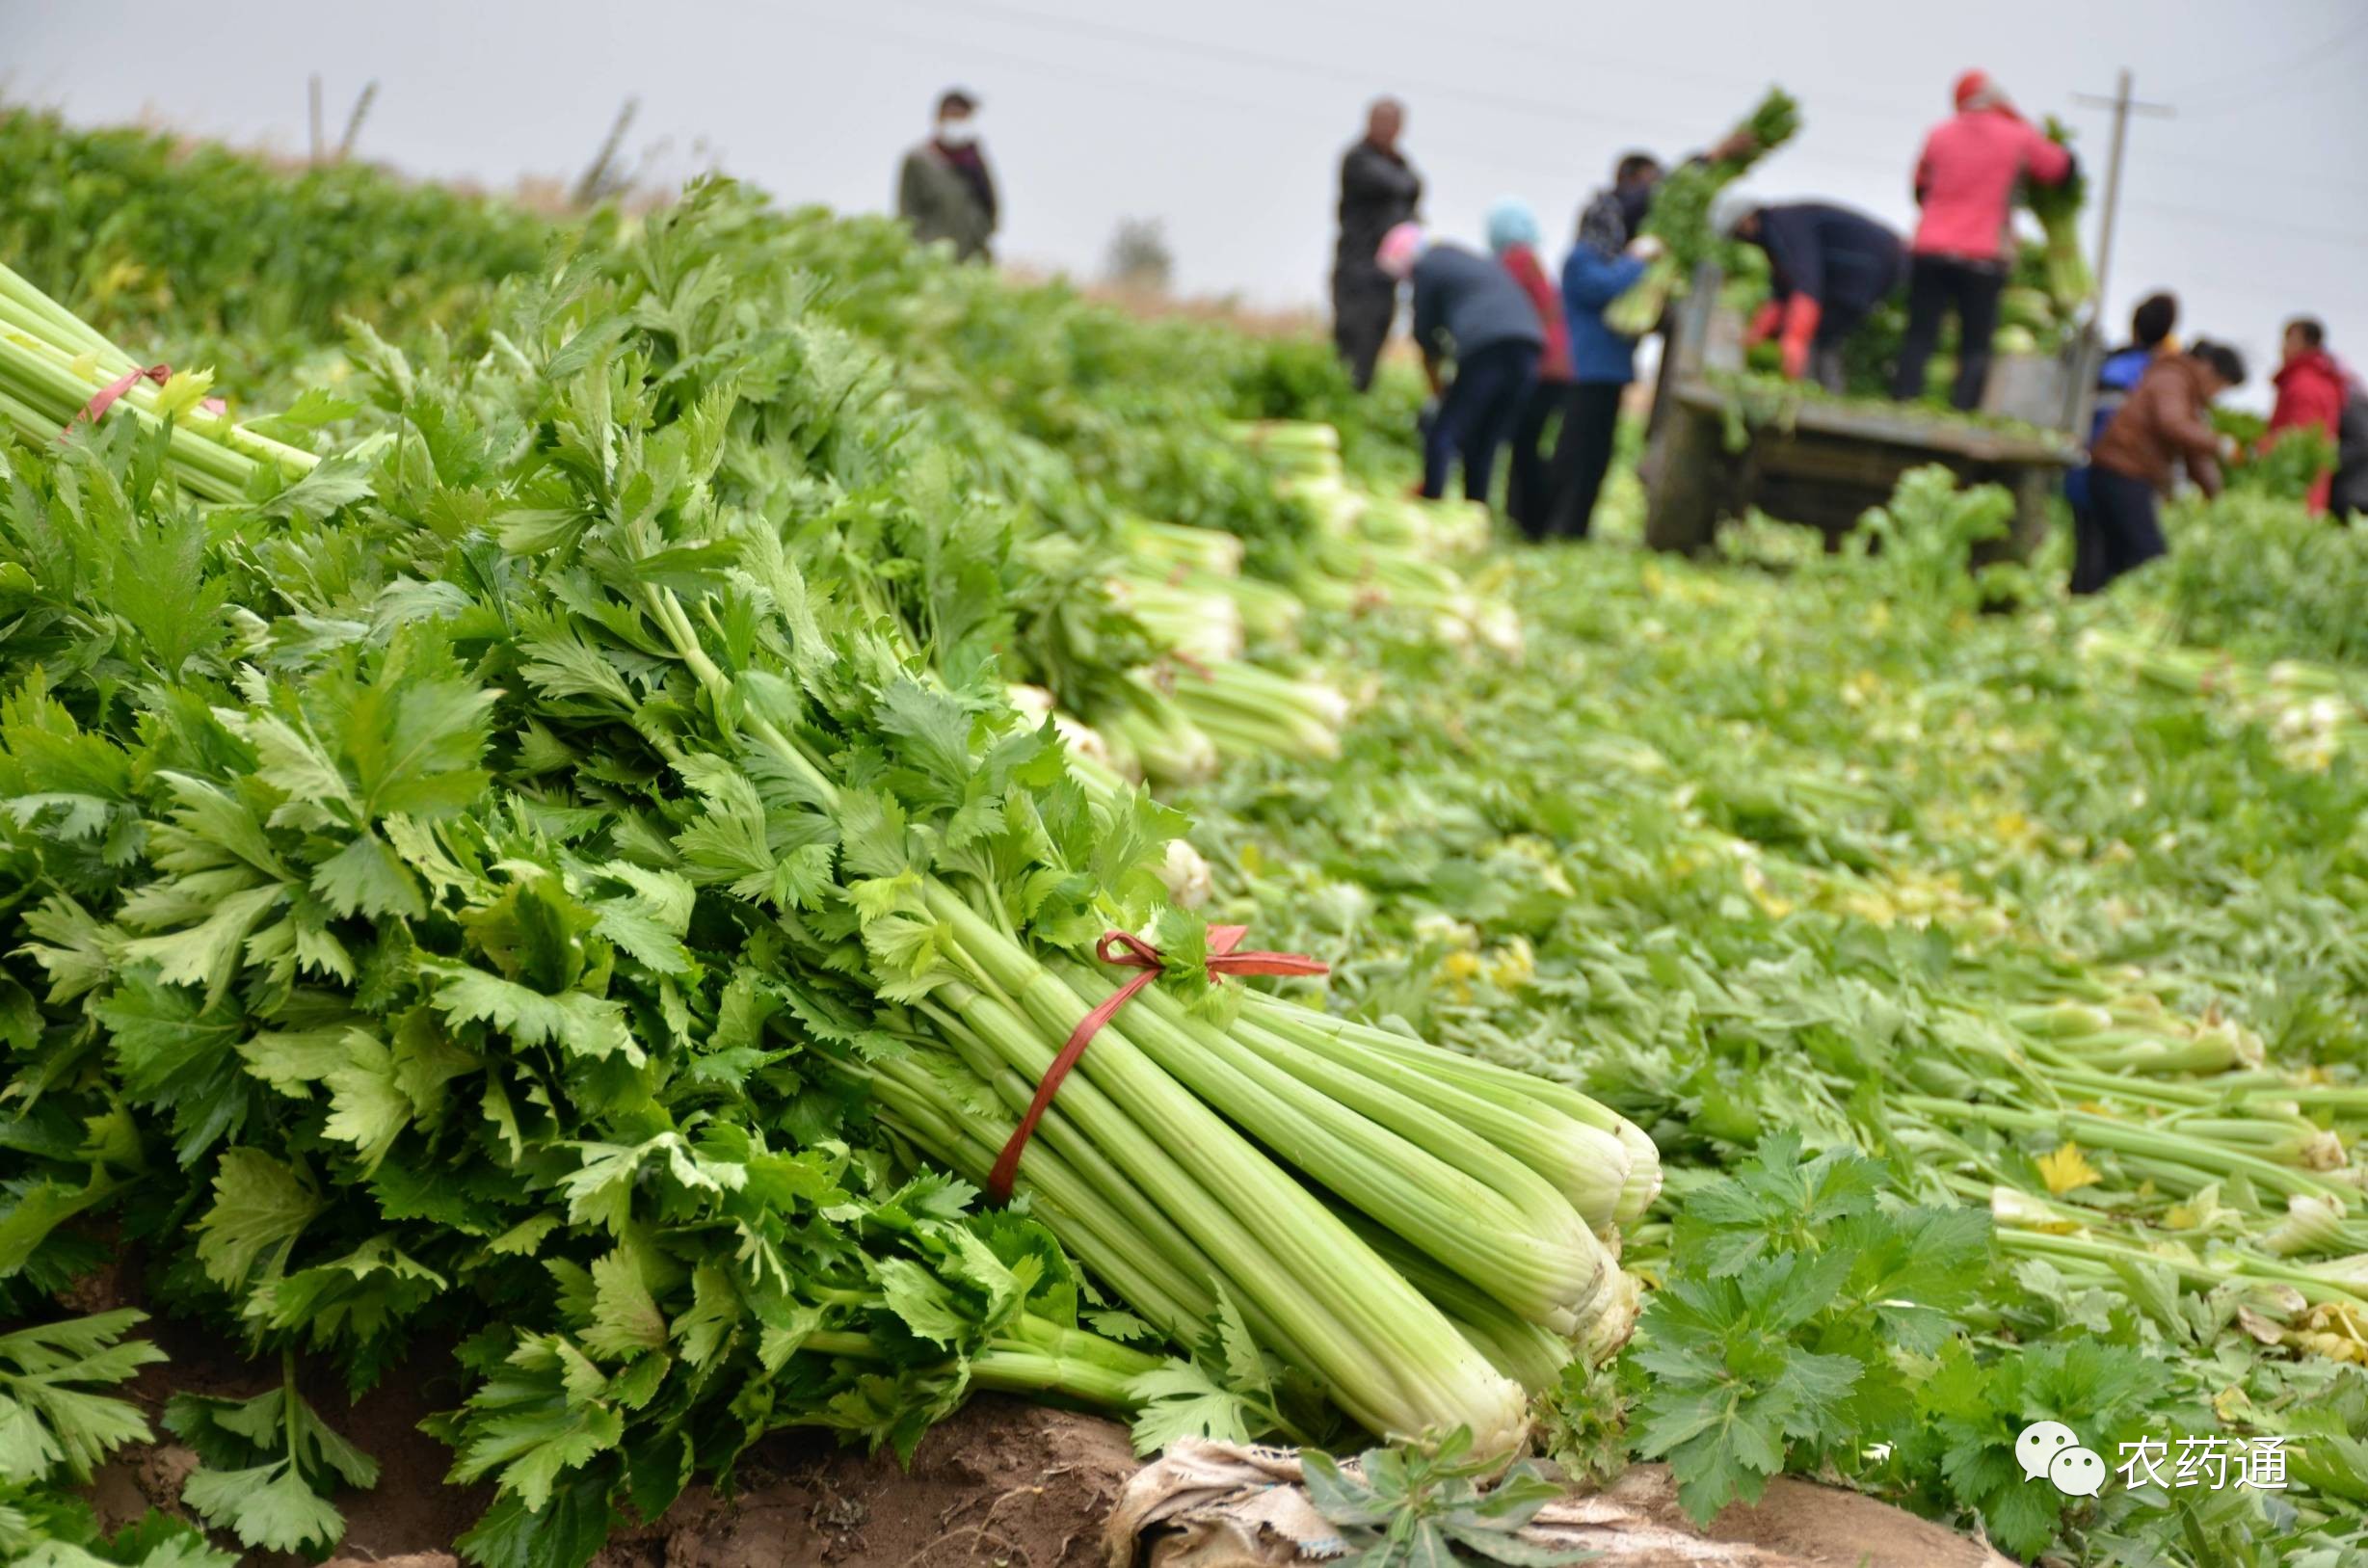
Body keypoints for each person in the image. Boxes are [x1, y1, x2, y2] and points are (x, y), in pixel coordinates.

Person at [1890, 70, 2075, 411]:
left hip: (1931, 248)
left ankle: (1904, 400)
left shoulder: (1940, 133)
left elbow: (1920, 187)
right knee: (1975, 343)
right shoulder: (2018, 134)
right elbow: (2060, 168)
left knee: (1920, 333)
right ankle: (1963, 409)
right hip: (1983, 255)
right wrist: (2019, 119)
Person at [1545, 153, 1665, 540]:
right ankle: (1554, 525)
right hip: (1585, 371)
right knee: (1573, 454)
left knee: (1597, 458)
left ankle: (1576, 527)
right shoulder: (1581, 259)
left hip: (1611, 373)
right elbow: (1603, 289)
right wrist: (1637, 259)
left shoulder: (1612, 261)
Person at [1378, 223, 1544, 503]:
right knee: (1485, 437)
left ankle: (1432, 498)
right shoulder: (1462, 258)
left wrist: (1437, 390)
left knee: (1445, 430)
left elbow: (1424, 332)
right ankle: (1476, 510)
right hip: (1529, 344)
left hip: (1487, 345)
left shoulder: (1426, 266)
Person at [2081, 340, 2247, 593]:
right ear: (2209, 369)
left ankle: (2098, 611)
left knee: (2117, 559)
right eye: (2220, 387)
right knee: (2148, 556)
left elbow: (2194, 456)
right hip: (2120, 471)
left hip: (2127, 475)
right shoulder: (2173, 378)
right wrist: (2219, 444)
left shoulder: (2188, 394)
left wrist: (2217, 498)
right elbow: (2173, 424)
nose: (2216, 395)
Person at [1718, 196, 1905, 393]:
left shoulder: (1785, 225)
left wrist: (1794, 341)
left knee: (1820, 334)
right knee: (1822, 336)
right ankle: (1822, 391)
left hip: (1871, 267)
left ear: (1747, 220)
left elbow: (1807, 285)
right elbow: (1782, 293)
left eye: (1737, 233)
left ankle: (1818, 393)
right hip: (1864, 271)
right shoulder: (1774, 236)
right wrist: (1755, 336)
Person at [2067, 292, 2179, 591]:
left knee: (2088, 554)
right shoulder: (2154, 375)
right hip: (2117, 474)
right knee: (2108, 562)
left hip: (2081, 470)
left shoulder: (2110, 364)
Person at [1485, 198, 1576, 539]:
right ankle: (1524, 518)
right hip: (1557, 367)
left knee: (1524, 444)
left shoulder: (1517, 260)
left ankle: (1531, 522)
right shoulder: (1532, 262)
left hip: (1541, 368)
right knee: (1529, 443)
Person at [1333, 98, 1423, 391]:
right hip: (1357, 271)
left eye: (1391, 123)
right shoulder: (1357, 159)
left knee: (1375, 343)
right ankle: (1344, 401)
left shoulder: (1400, 163)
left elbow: (1415, 185)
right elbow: (1402, 186)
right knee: (1352, 346)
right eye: (1379, 121)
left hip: (1386, 276)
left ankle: (1361, 400)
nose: (1385, 129)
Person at [896, 89, 998, 262]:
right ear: (939, 117)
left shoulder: (974, 159)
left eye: (963, 116)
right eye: (953, 115)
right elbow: (907, 214)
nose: (958, 122)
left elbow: (992, 206)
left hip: (973, 255)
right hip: (933, 257)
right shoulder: (919, 160)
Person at [2265, 317, 2347, 514]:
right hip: (2314, 491)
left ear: (2303, 343)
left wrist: (2258, 450)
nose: (2282, 348)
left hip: (2293, 491)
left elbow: (2296, 445)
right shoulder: (2324, 380)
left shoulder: (2304, 384)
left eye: (2287, 341)